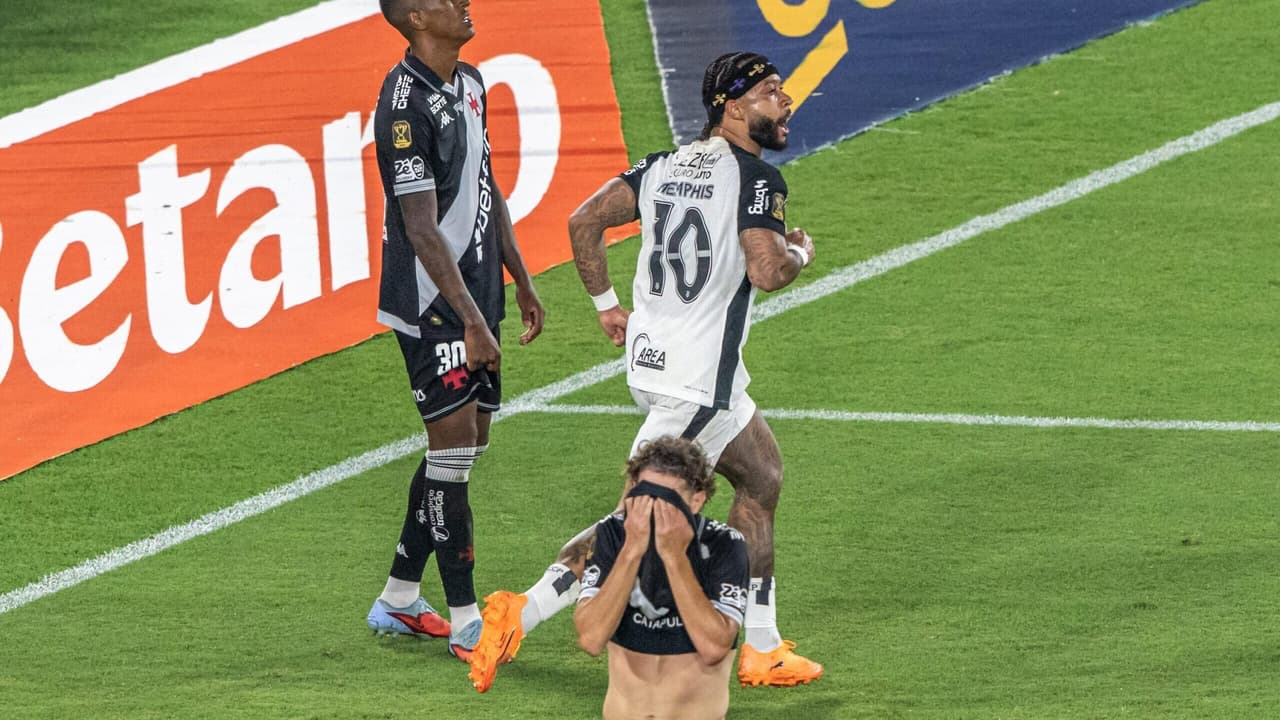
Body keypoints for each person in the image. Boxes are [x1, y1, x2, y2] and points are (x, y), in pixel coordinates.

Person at [468, 51, 820, 691]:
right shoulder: (757, 178)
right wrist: (797, 250)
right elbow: (767, 272)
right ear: (733, 108)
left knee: (763, 474)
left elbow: (584, 222)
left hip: (658, 362)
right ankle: (524, 607)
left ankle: (763, 645)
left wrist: (607, 307)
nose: (786, 101)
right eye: (772, 92)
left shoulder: (662, 166)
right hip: (695, 381)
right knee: (635, 518)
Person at [363, 0, 545, 663]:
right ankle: (469, 621)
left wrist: (518, 276)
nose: (465, 3)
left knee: (470, 441)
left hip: (477, 287)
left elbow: (486, 186)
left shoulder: (471, 83)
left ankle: (400, 597)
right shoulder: (402, 104)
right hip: (431, 297)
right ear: (414, 16)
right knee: (453, 447)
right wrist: (468, 318)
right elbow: (418, 226)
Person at [574, 437, 749, 720]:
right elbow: (591, 638)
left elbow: (714, 647)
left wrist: (674, 556)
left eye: (667, 500)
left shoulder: (723, 544)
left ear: (696, 500)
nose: (653, 509)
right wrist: (631, 551)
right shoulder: (614, 535)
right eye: (645, 496)